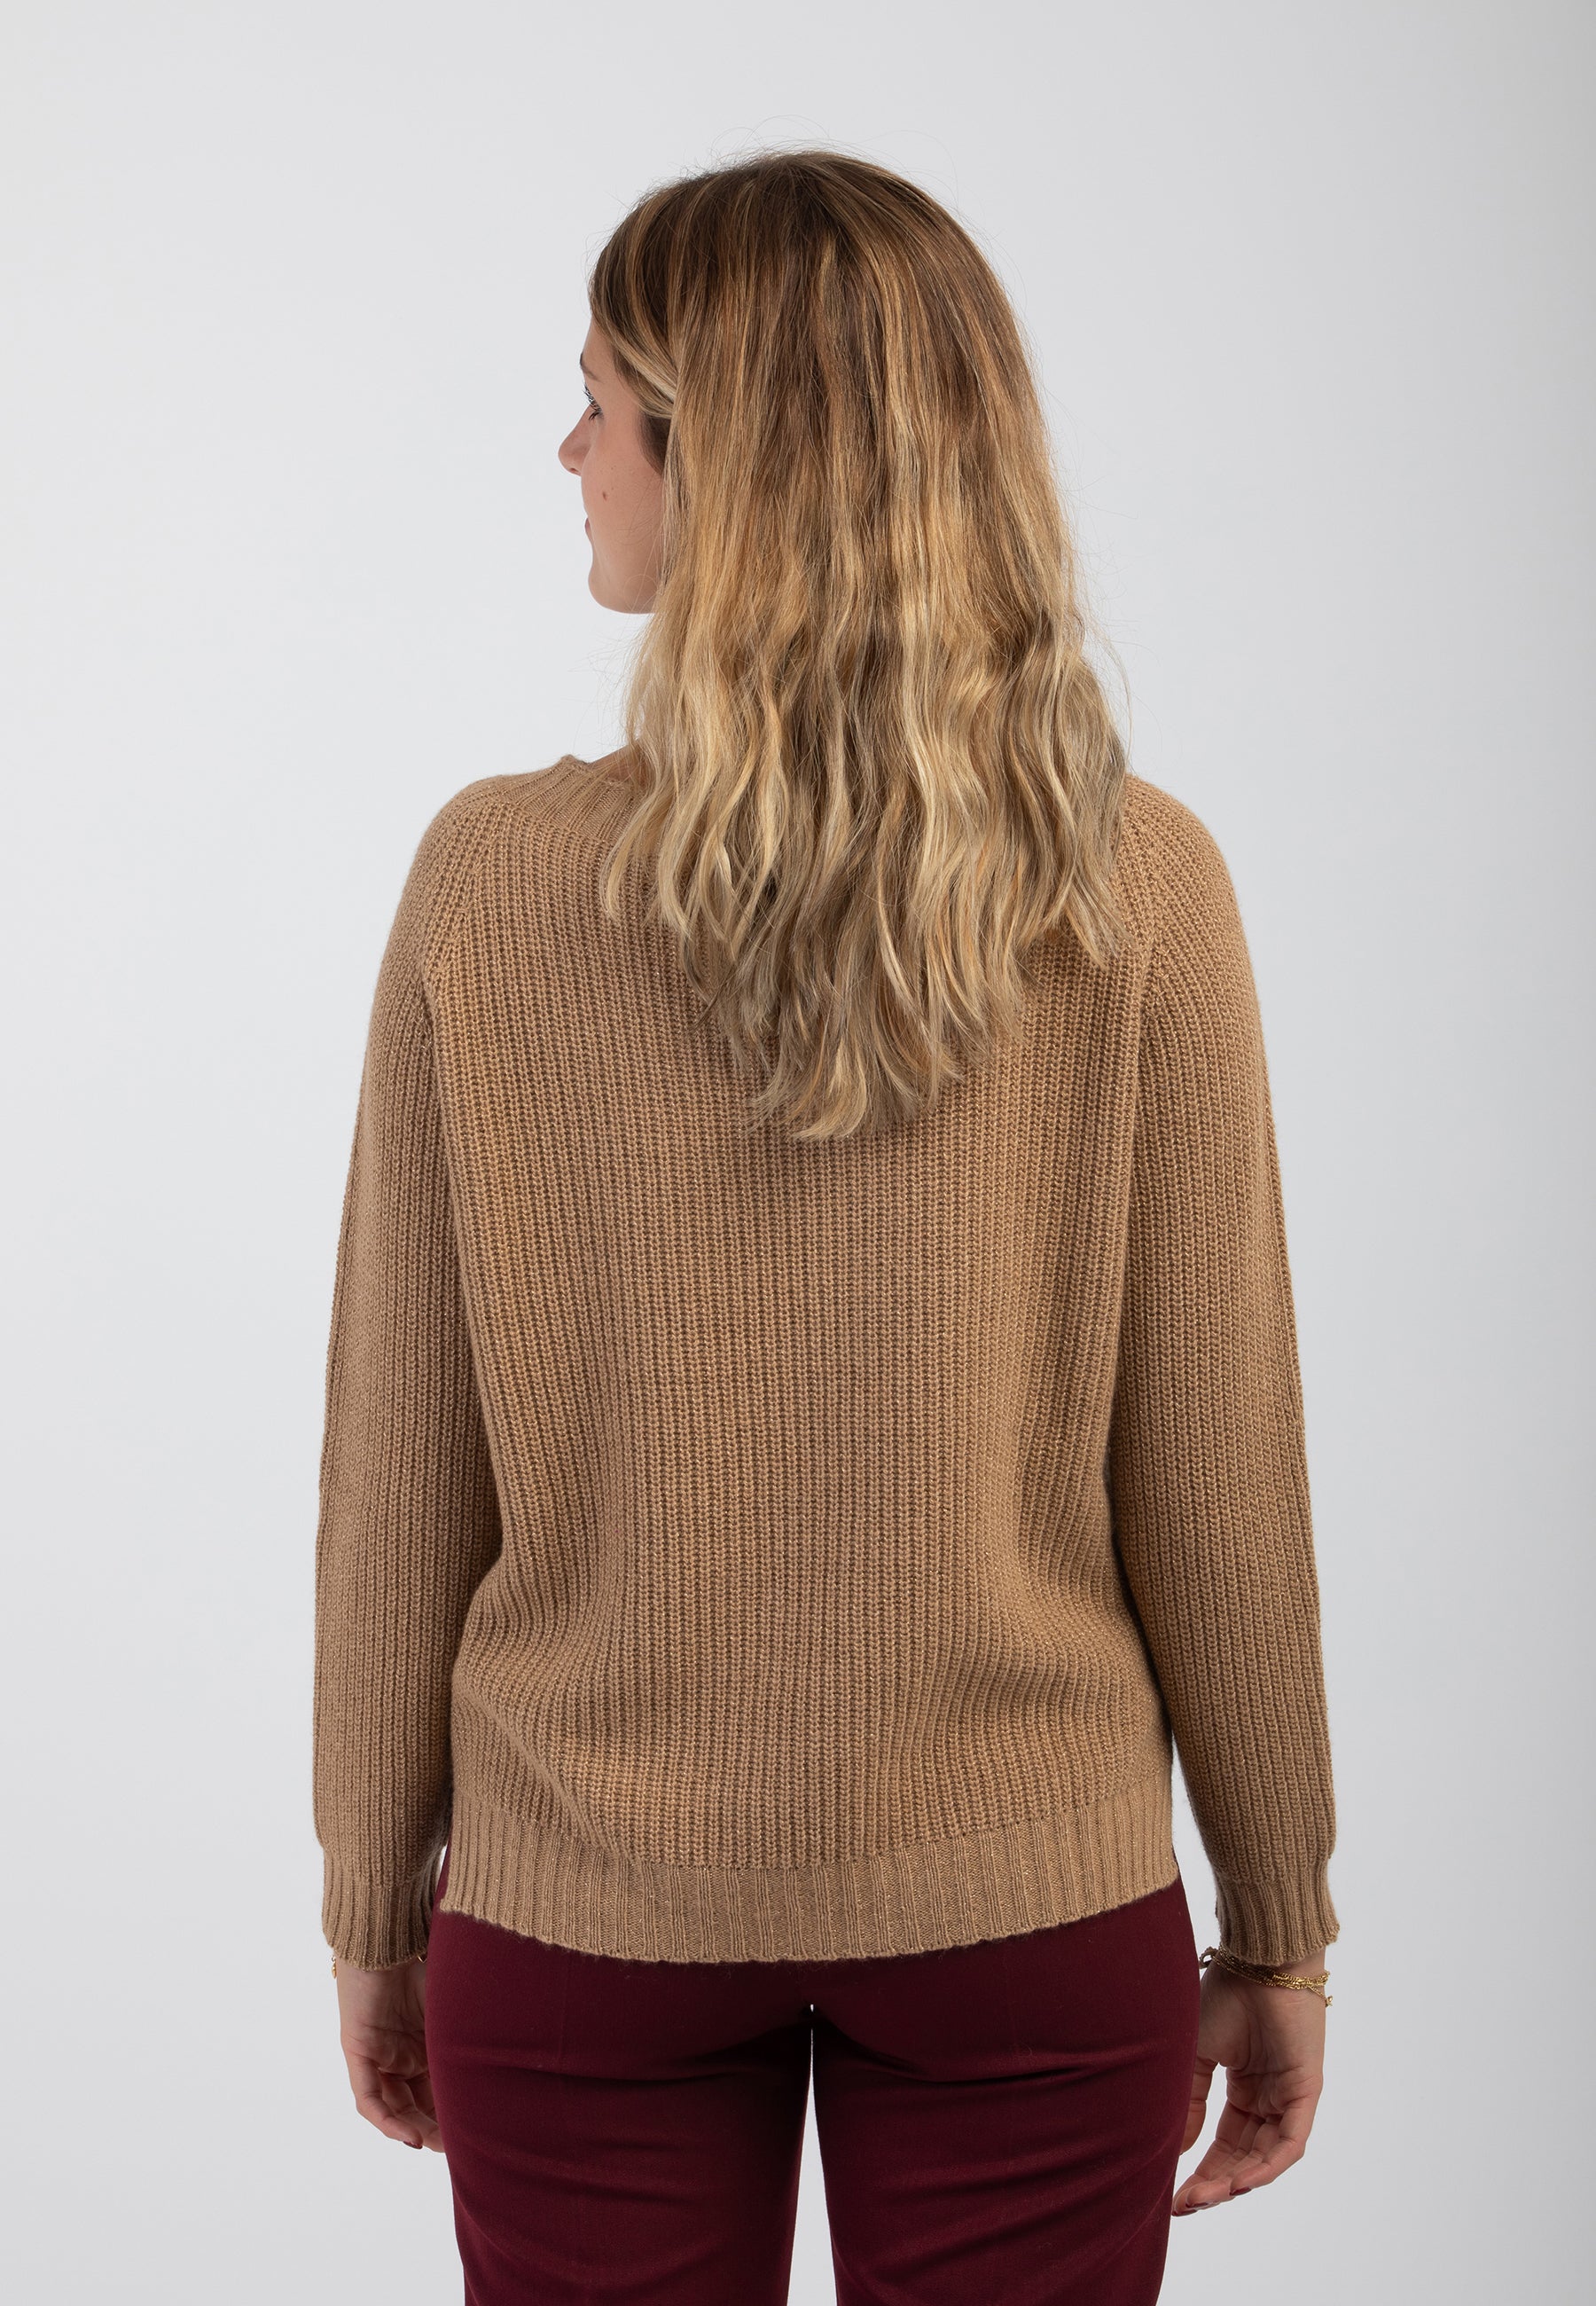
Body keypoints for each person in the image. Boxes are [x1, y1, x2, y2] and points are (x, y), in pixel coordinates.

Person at [314, 149, 1340, 2305]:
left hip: (585, 1916)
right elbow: (1220, 1461)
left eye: (603, 400)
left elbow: (400, 1459)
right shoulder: (1138, 887)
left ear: (729, 463)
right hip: (1030, 1915)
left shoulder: (488, 888)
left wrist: (373, 1902)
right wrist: (1279, 1922)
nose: (570, 449)